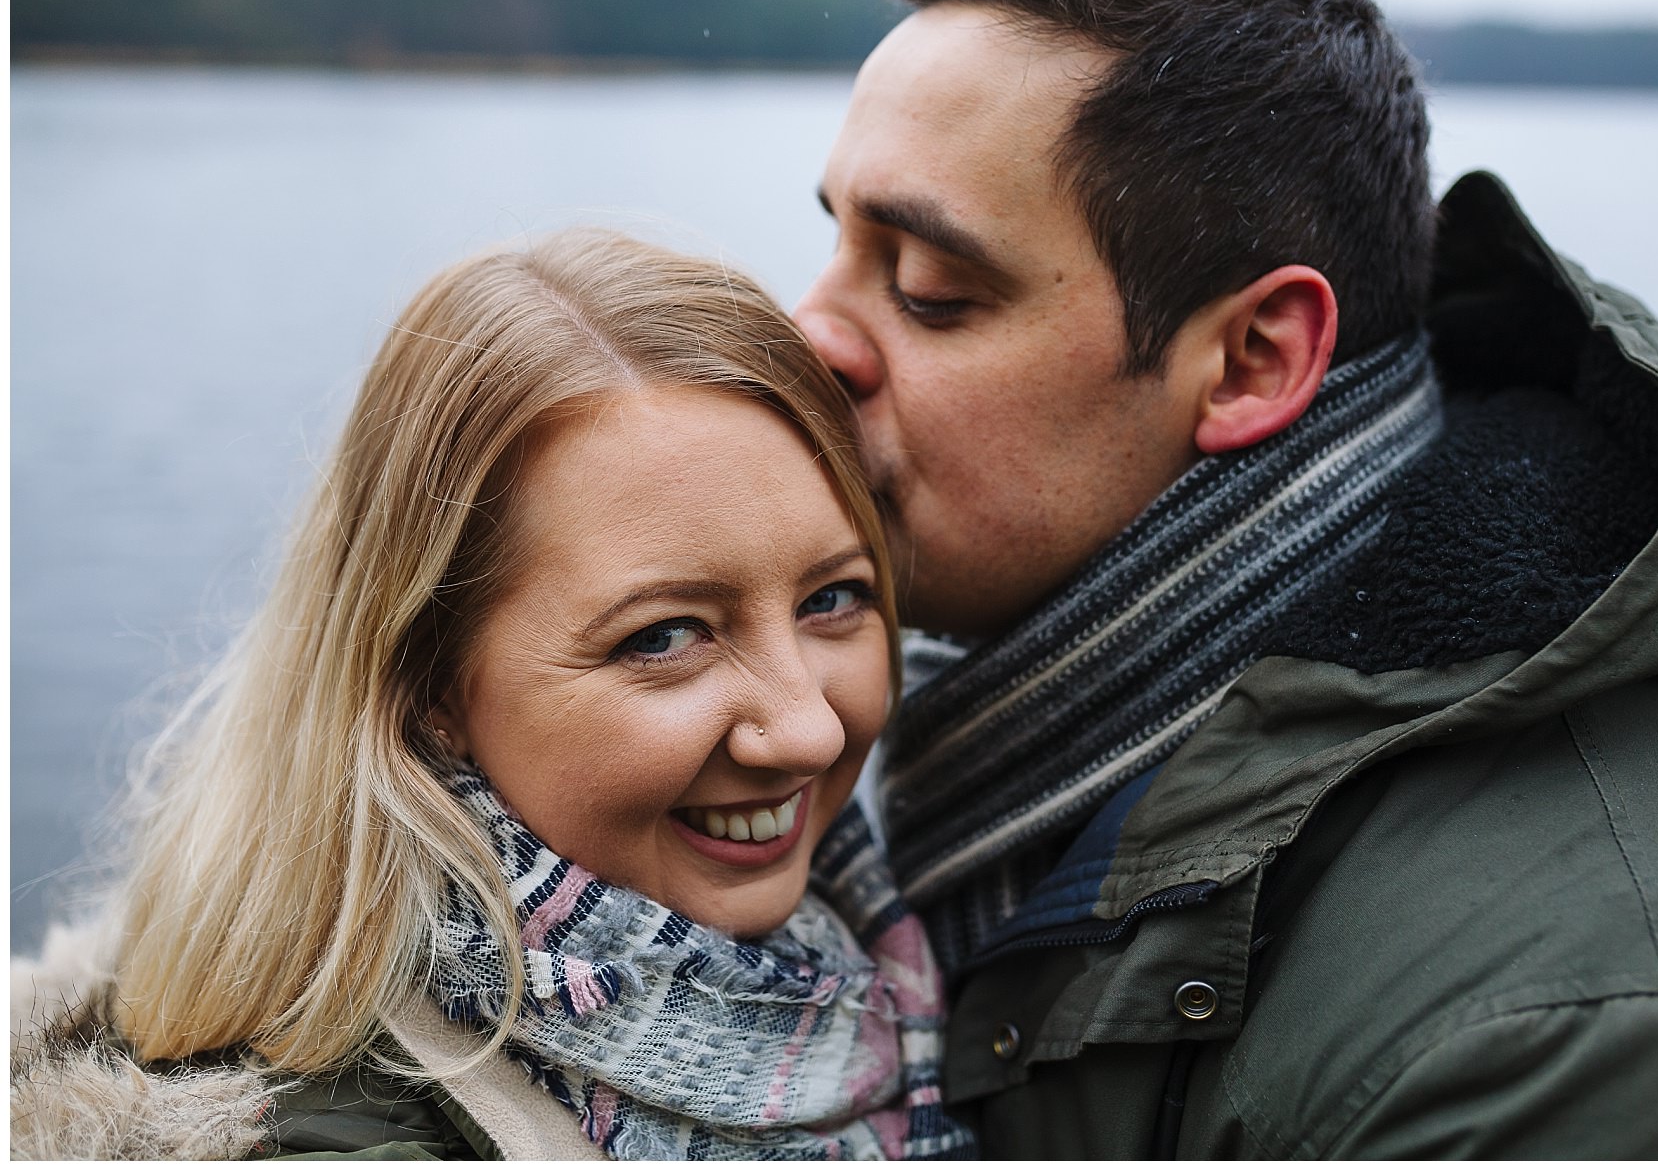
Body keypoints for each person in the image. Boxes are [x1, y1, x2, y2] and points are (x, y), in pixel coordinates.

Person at [793, 0, 1658, 1159]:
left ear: (1255, 361)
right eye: (837, 242)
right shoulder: (993, 742)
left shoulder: (1584, 1028)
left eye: (932, 292)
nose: (808, 336)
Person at [11, 228, 977, 1160]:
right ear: (429, 683)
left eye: (832, 598)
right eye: (665, 635)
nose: (807, 730)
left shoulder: (894, 959)